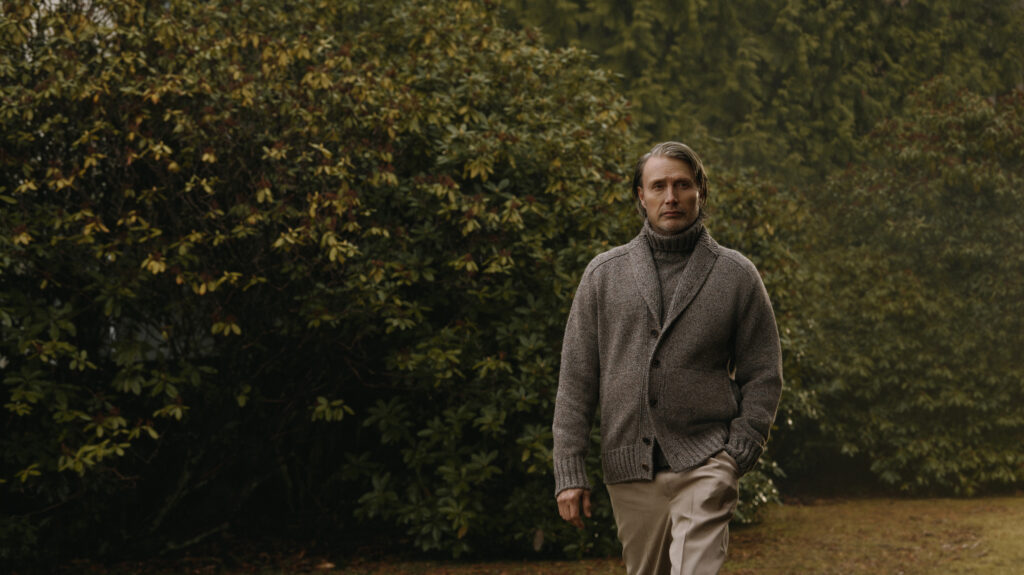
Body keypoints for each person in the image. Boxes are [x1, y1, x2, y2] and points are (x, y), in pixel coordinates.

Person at [552, 142, 783, 574]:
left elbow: (763, 372)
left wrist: (739, 450)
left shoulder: (736, 275)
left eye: (682, 185)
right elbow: (576, 381)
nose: (671, 197)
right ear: (641, 196)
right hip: (630, 470)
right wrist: (569, 472)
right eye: (658, 186)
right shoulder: (604, 275)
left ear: (700, 191)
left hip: (708, 460)